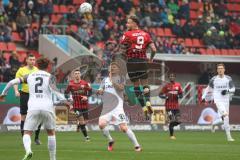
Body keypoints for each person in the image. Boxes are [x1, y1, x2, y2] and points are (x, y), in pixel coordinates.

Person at [0, 57, 70, 160]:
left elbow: (11, 82)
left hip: (33, 107)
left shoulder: (29, 76)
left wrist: (3, 93)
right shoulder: (51, 77)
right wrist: (66, 101)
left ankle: (28, 151)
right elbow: (57, 92)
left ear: (37, 65)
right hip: (47, 107)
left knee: (27, 133)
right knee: (51, 132)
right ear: (48, 66)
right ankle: (53, 158)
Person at [97, 62, 141, 152]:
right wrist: (100, 91)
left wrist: (113, 82)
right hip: (107, 107)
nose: (112, 68)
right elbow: (100, 89)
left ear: (118, 70)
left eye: (114, 67)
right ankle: (110, 140)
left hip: (118, 108)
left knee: (124, 128)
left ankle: (137, 145)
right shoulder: (104, 80)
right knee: (101, 124)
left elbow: (121, 88)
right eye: (111, 67)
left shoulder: (121, 78)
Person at [120, 15, 157, 120]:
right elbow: (154, 49)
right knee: (145, 84)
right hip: (142, 61)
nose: (127, 24)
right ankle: (148, 102)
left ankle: (144, 107)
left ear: (134, 23)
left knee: (136, 85)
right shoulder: (146, 34)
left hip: (131, 61)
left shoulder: (127, 34)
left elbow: (122, 48)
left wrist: (125, 55)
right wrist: (151, 59)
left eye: (128, 22)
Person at [202, 63, 235, 141]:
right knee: (225, 116)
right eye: (218, 68)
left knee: (225, 119)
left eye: (221, 68)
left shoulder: (228, 78)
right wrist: (203, 97)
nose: (220, 70)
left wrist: (227, 91)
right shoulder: (214, 79)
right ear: (217, 70)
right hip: (218, 100)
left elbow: (233, 89)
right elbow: (208, 88)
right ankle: (229, 137)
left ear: (224, 69)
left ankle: (213, 124)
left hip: (226, 100)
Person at [13, 54, 42, 145]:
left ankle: (36, 138)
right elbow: (15, 82)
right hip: (25, 94)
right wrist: (16, 91)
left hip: (35, 96)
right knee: (23, 117)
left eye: (34, 60)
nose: (32, 61)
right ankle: (24, 139)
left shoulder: (37, 70)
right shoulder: (21, 70)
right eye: (31, 59)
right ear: (27, 60)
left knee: (39, 116)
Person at [64, 69, 92, 141]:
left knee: (85, 121)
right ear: (74, 75)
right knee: (82, 121)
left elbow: (90, 91)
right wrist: (69, 100)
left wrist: (86, 97)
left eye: (78, 73)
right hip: (76, 106)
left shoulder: (84, 83)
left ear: (80, 75)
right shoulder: (70, 84)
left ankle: (79, 125)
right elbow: (66, 93)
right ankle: (86, 137)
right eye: (75, 73)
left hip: (84, 105)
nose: (77, 75)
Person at [159, 73, 183, 140]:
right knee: (172, 120)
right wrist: (165, 96)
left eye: (173, 76)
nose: (171, 77)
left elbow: (181, 95)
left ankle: (168, 125)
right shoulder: (166, 86)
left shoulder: (178, 85)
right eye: (170, 76)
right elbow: (160, 94)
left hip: (176, 106)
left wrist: (179, 96)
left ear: (175, 77)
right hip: (168, 107)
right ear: (169, 78)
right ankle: (171, 135)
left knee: (179, 121)